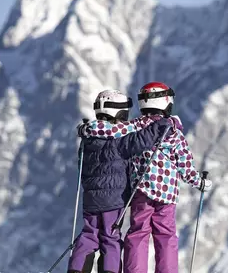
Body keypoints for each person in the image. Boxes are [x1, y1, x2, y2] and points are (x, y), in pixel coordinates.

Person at [85, 82, 213, 273]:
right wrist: (200, 182)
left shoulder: (135, 126)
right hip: (167, 196)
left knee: (138, 233)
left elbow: (111, 130)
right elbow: (186, 168)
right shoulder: (175, 134)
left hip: (141, 191)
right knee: (166, 235)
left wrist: (88, 128)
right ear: (167, 102)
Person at [67, 89, 175, 273]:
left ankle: (76, 270)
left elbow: (82, 166)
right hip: (114, 200)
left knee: (89, 235)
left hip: (91, 200)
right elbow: (142, 140)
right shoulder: (119, 141)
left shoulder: (88, 140)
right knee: (110, 238)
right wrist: (161, 125)